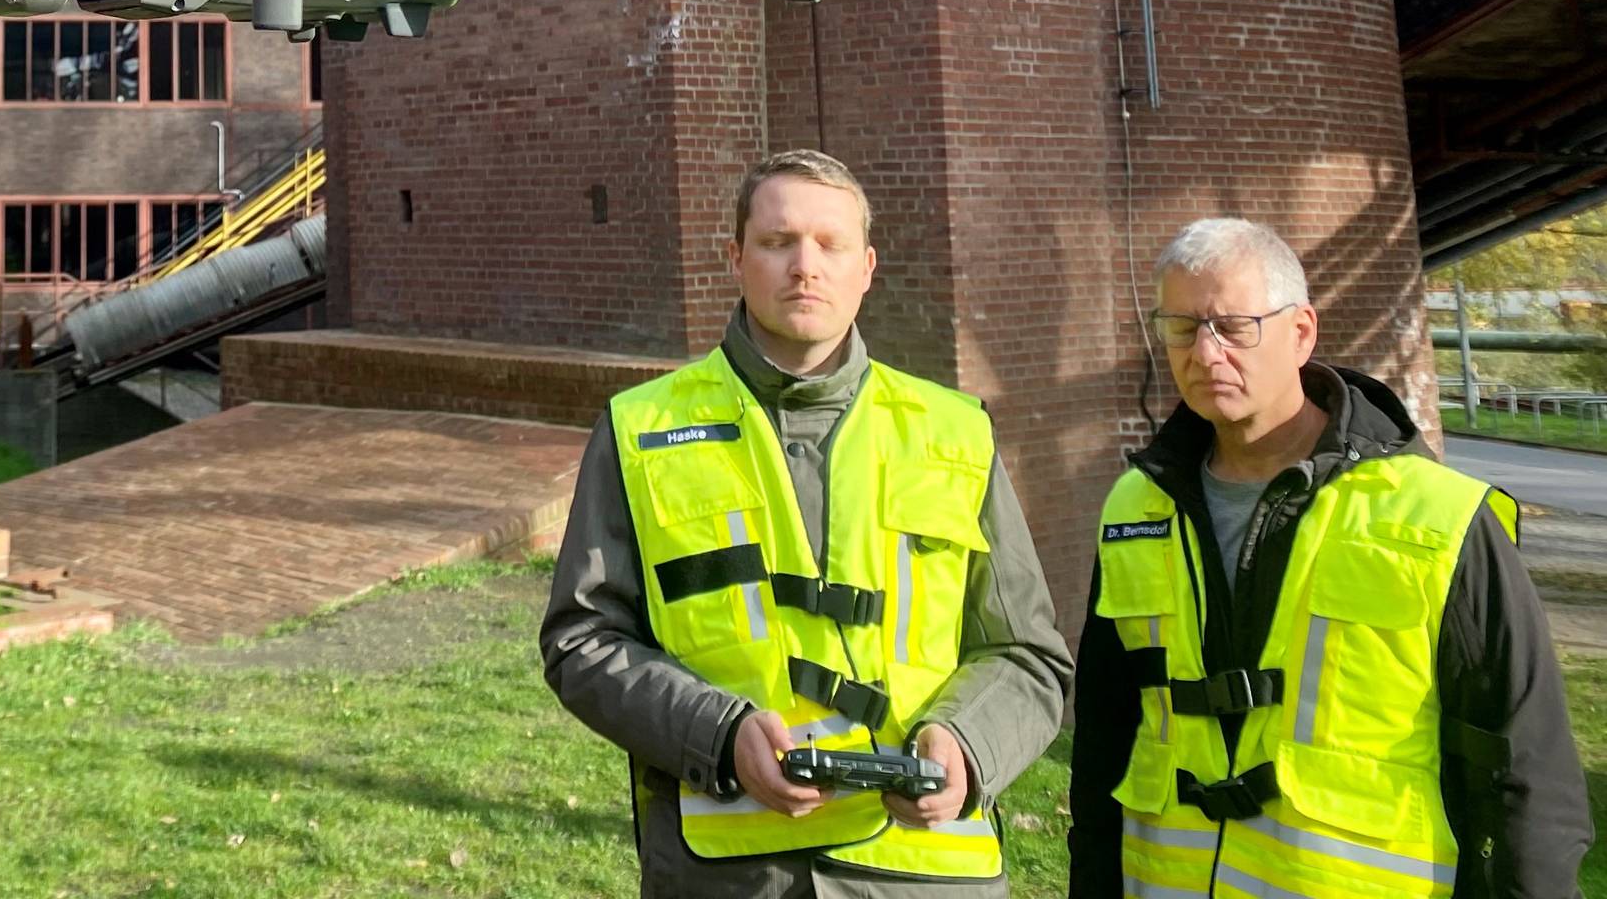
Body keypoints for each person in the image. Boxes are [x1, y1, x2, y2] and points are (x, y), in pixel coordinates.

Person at [542, 149, 1073, 895]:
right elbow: (582, 640)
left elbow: (1026, 655)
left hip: (921, 875)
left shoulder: (955, 432)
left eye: (831, 245)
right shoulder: (641, 428)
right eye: (777, 241)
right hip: (732, 875)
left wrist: (966, 744)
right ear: (735, 258)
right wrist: (718, 735)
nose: (804, 266)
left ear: (868, 266)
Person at [1067, 218, 1588, 898]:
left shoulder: (1438, 517)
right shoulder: (1137, 508)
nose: (1205, 352)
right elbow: (1105, 737)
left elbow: (1529, 768)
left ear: (1301, 333)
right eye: (1181, 328)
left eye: (1233, 326)